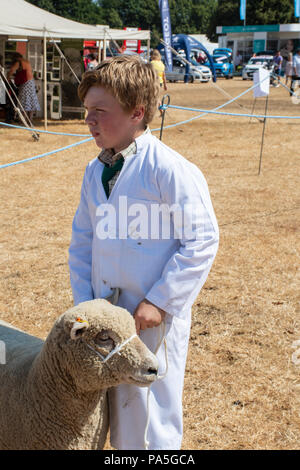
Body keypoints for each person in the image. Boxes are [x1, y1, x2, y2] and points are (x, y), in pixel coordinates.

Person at [68, 55, 219, 450]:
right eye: (87, 111)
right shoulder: (93, 172)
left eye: (100, 111)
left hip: (152, 319)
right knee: (112, 407)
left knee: (151, 411)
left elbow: (201, 240)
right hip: (107, 316)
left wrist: (160, 300)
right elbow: (83, 242)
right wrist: (87, 307)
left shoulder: (170, 170)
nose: (89, 120)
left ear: (137, 112)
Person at [7, 53, 40, 121]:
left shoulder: (19, 62)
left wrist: (8, 77)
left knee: (24, 100)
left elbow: (12, 70)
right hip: (31, 82)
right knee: (31, 100)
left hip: (25, 83)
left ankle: (23, 119)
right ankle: (30, 118)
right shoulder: (26, 61)